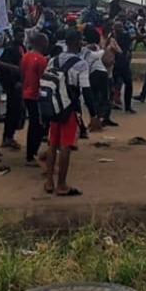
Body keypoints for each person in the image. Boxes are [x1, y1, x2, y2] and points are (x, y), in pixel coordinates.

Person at [43, 30, 89, 197]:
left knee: (52, 144)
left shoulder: (53, 60)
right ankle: (62, 185)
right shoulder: (81, 63)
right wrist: (94, 113)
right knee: (66, 145)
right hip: (70, 108)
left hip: (54, 106)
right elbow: (86, 89)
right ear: (77, 43)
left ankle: (49, 182)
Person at [21, 32, 49, 167]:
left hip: (27, 93)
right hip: (36, 95)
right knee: (37, 125)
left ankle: (31, 154)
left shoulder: (26, 56)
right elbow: (43, 79)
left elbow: (22, 73)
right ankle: (31, 155)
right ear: (41, 43)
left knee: (34, 124)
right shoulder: (41, 59)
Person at [0, 26, 25, 150]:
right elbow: (5, 69)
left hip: (21, 84)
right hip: (13, 86)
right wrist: (13, 83)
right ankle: (7, 137)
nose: (22, 38)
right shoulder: (9, 49)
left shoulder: (21, 48)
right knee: (12, 112)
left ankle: (10, 136)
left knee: (18, 112)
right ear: (14, 35)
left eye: (23, 36)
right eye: (19, 36)